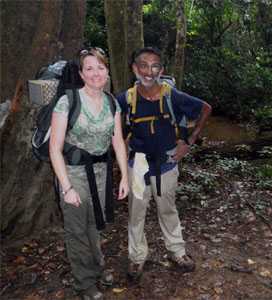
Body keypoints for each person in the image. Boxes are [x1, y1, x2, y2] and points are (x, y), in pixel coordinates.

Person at [116, 47, 212, 282]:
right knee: (136, 212)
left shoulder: (172, 95)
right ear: (135, 69)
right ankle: (137, 257)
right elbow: (114, 129)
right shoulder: (125, 99)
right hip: (138, 166)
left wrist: (189, 141)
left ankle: (177, 252)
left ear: (161, 69)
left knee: (167, 209)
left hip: (167, 163)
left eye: (155, 66)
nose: (149, 71)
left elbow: (205, 109)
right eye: (144, 66)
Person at [49, 47, 129, 300]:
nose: (96, 73)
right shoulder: (68, 101)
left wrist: (124, 176)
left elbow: (117, 143)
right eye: (89, 68)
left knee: (95, 224)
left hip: (101, 172)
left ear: (107, 72)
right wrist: (66, 187)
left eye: (101, 68)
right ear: (82, 74)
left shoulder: (111, 102)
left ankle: (97, 268)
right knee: (77, 229)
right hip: (73, 172)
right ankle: (83, 283)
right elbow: (55, 148)